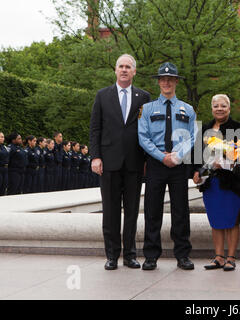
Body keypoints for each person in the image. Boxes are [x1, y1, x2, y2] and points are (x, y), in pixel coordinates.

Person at [90, 54, 151, 271]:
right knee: (110, 211)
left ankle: (130, 255)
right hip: (108, 162)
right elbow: (95, 128)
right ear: (115, 70)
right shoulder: (102, 96)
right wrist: (95, 156)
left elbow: (148, 130)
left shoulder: (144, 97)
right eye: (121, 66)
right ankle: (112, 255)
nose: (124, 70)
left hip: (135, 163)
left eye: (128, 67)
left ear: (134, 72)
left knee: (132, 211)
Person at [138, 62, 196, 271]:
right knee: (152, 210)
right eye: (163, 79)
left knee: (181, 210)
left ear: (176, 82)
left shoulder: (188, 109)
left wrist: (177, 156)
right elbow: (143, 137)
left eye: (170, 79)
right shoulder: (147, 109)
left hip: (178, 165)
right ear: (159, 82)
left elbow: (192, 137)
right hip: (156, 164)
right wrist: (160, 157)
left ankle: (183, 255)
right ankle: (151, 256)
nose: (166, 82)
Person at [192, 94, 240, 272]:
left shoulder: (239, 129)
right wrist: (195, 173)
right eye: (216, 106)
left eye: (223, 106)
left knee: (232, 220)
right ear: (212, 108)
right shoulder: (203, 130)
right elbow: (196, 157)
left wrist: (229, 162)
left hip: (233, 183)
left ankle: (231, 257)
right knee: (216, 219)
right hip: (211, 183)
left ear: (229, 108)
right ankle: (218, 256)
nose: (219, 108)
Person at [0, 132, 9, 196]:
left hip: (5, 169)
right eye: (1, 137)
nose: (3, 138)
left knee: (4, 186)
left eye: (3, 137)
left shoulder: (4, 147)